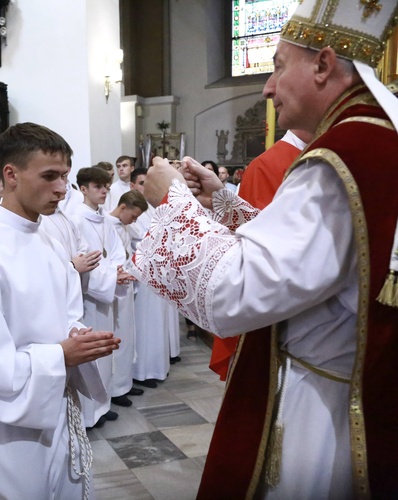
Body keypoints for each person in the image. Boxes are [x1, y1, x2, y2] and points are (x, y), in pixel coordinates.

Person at [131, 3, 398, 496]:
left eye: (277, 66)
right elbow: (320, 263)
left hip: (323, 407)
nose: (268, 88)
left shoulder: (339, 158)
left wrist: (172, 199)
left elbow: (235, 292)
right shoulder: (378, 142)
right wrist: (225, 203)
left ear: (322, 64)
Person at [0, 122, 120, 499]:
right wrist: (60, 356)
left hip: (56, 408)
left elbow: (69, 311)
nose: (61, 188)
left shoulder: (50, 240)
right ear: (11, 175)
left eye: (65, 177)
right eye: (49, 176)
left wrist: (78, 336)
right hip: (6, 434)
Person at [209, 129, 311, 382]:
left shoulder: (329, 153)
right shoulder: (268, 165)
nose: (269, 89)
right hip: (283, 318)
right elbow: (258, 249)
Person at [72, 166, 131, 427]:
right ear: (83, 189)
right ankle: (89, 412)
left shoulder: (105, 219)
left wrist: (117, 271)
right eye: (98, 187)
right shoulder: (75, 219)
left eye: (106, 186)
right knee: (91, 355)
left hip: (105, 293)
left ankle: (102, 405)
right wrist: (109, 277)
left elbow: (116, 252)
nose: (104, 191)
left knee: (105, 354)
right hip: (88, 298)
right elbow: (78, 262)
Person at [128, 168, 176, 388]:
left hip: (160, 271)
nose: (144, 186)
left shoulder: (154, 209)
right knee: (145, 324)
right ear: (132, 186)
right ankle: (142, 372)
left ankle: (157, 366)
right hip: (144, 273)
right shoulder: (132, 213)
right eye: (140, 183)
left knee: (157, 323)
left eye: (147, 182)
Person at [106, 189, 147, 406]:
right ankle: (114, 389)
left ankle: (125, 382)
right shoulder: (105, 225)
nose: (134, 221)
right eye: (133, 216)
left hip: (126, 284)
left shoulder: (124, 226)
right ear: (123, 208)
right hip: (112, 289)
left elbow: (129, 251)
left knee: (128, 336)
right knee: (118, 337)